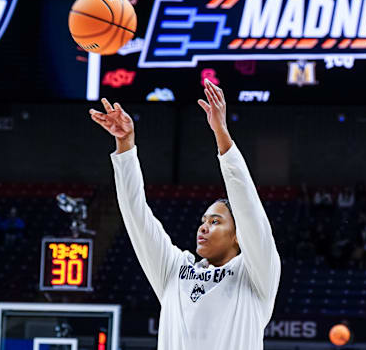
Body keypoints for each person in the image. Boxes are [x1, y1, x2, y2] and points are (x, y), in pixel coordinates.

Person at [89, 80, 280, 350]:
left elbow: (249, 208)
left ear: (239, 235)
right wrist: (125, 145)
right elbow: (136, 215)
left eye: (215, 222)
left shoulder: (255, 274)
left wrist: (221, 134)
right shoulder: (174, 270)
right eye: (203, 221)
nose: (203, 227)